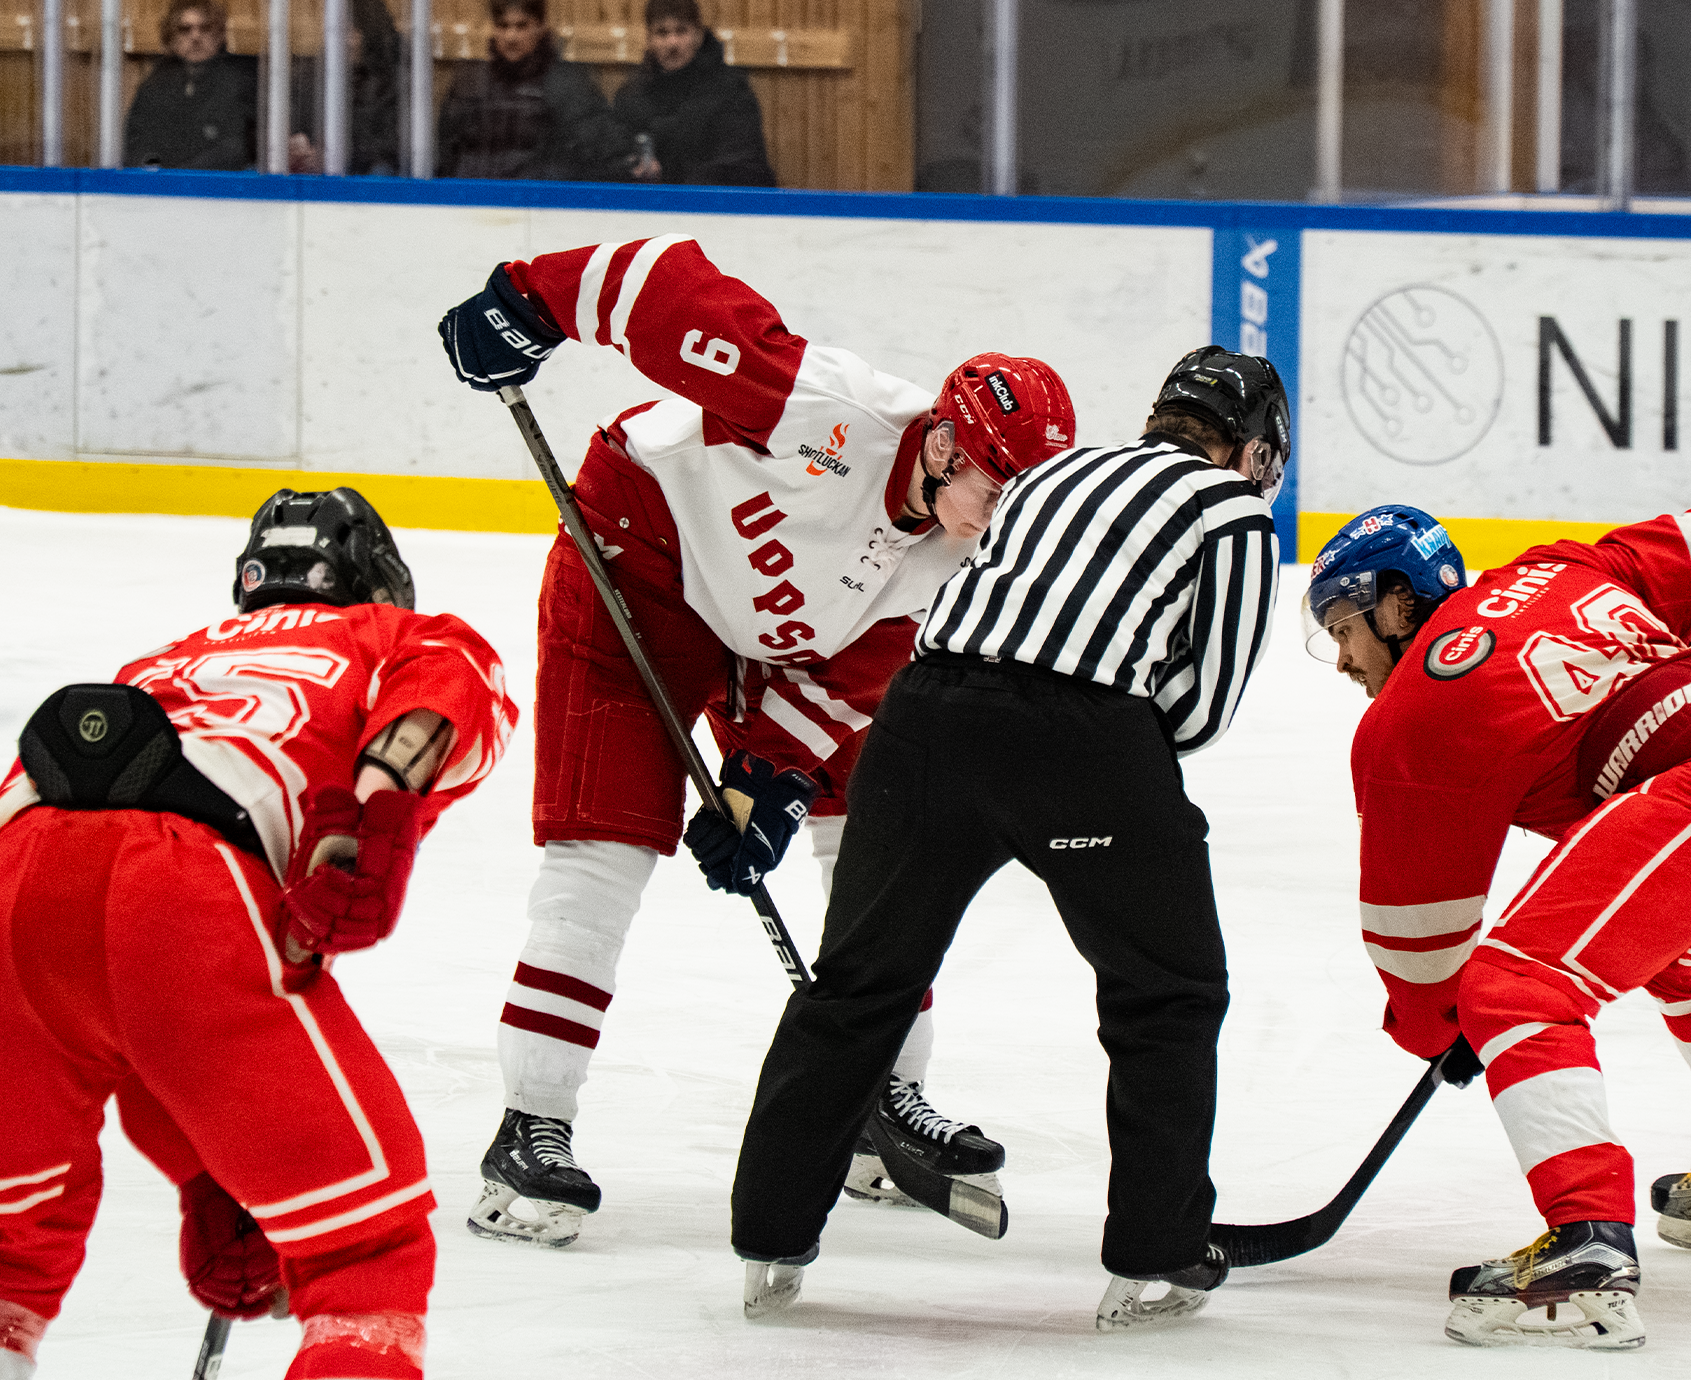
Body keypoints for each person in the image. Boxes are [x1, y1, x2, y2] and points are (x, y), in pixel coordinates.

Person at [437, 233, 1076, 1248]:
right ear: (946, 447)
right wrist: (531, 300)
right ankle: (530, 1126)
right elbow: (664, 286)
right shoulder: (828, 409)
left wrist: (767, 775)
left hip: (788, 645)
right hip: (640, 563)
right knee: (602, 853)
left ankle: (882, 1097)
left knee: (878, 840)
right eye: (997, 493)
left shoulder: (966, 558)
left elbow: (859, 673)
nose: (1001, 523)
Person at [729, 346, 1286, 1332]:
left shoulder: (1048, 475)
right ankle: (1156, 1248)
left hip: (921, 724)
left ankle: (768, 1238)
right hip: (1081, 744)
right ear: (1257, 452)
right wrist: (1104, 757)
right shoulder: (1232, 509)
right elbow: (1200, 709)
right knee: (1168, 991)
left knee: (857, 983)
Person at [1304, 503, 1691, 1350]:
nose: (1342, 659)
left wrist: (1452, 1029)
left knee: (1515, 985)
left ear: (1397, 603)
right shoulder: (1554, 568)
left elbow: (1417, 950)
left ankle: (1588, 1245)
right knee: (1690, 952)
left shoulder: (1412, 717)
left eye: (1344, 628)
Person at [0, 488, 516, 1380]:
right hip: (188, 884)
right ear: (378, 582)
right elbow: (448, 686)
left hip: (17, 876)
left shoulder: (160, 663)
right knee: (364, 1250)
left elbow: (115, 1007)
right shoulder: (395, 633)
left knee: (12, 1242)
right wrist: (375, 807)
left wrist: (215, 1165)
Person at [436, 0, 632, 181]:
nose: (511, 36)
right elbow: (446, 154)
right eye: (503, 26)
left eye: (521, 26)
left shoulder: (567, 84)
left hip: (542, 197)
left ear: (540, 27)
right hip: (474, 195)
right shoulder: (470, 82)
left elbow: (600, 152)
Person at [613, 0, 775, 187]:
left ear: (698, 36)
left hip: (713, 201)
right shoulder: (630, 96)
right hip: (648, 201)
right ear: (649, 40)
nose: (672, 43)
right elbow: (615, 156)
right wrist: (631, 168)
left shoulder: (731, 92)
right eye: (662, 33)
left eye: (681, 31)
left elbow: (743, 164)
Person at [123, 0, 257, 170]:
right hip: (162, 184)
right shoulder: (154, 86)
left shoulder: (240, 82)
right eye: (184, 29)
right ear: (171, 37)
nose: (195, 36)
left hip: (220, 184)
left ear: (220, 35)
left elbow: (236, 149)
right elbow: (136, 145)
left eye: (205, 28)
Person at [289, 0, 403, 175]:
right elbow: (289, 130)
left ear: (368, 34)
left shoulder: (392, 82)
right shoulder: (309, 78)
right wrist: (296, 147)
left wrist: (335, 155)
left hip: (364, 180)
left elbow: (391, 149)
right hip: (312, 178)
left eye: (350, 30)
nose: (343, 40)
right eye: (335, 29)